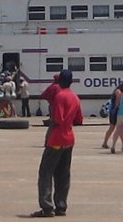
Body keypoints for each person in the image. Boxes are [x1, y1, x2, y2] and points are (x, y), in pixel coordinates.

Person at [31, 69, 83, 218]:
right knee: (63, 174)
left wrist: (49, 130)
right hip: (69, 139)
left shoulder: (60, 96)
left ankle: (47, 207)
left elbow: (58, 119)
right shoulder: (75, 97)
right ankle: (61, 206)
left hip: (56, 138)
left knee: (46, 172)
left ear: (59, 81)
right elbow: (79, 120)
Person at [101, 83, 123, 149]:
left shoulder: (117, 91)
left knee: (113, 128)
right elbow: (118, 102)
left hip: (113, 110)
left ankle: (105, 142)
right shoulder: (118, 91)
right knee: (116, 128)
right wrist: (118, 110)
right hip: (115, 111)